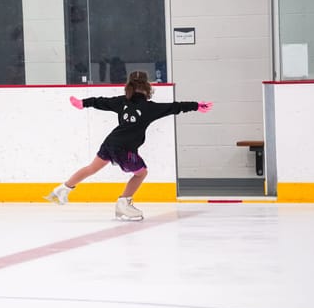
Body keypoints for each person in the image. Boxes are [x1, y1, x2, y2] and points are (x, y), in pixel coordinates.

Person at [46, 70, 213, 221]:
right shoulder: (150, 108)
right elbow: (174, 107)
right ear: (148, 87)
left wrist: (82, 103)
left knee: (91, 168)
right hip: (124, 149)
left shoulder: (121, 102)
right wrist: (197, 106)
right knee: (141, 173)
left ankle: (63, 189)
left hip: (110, 142)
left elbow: (100, 102)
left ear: (129, 87)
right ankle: (123, 204)